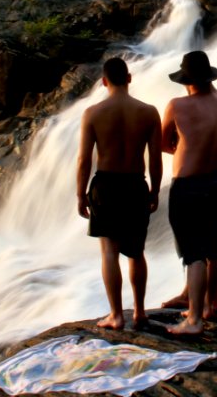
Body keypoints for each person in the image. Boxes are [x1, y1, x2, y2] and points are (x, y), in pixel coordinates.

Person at [162, 50, 217, 335]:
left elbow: (162, 142)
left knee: (194, 252)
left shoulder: (177, 106)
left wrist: (179, 149)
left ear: (187, 80)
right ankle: (212, 303)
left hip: (188, 184)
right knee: (214, 243)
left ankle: (194, 320)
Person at [77, 57, 162, 330]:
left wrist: (80, 193)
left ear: (103, 82)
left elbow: (83, 160)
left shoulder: (93, 113)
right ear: (129, 78)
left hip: (106, 186)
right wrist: (155, 190)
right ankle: (139, 312)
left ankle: (115, 315)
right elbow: (156, 159)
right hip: (136, 184)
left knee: (110, 252)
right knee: (136, 252)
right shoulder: (149, 112)